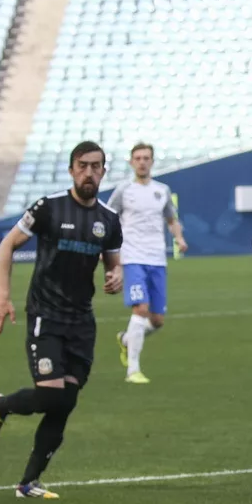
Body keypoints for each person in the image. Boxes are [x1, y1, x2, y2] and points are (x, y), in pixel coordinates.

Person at [0, 141, 123, 499]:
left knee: (65, 402)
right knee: (49, 396)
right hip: (46, 315)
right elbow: (7, 245)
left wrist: (116, 276)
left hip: (81, 322)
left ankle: (28, 483)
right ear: (71, 170)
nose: (89, 172)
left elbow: (113, 263)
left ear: (104, 172)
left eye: (96, 166)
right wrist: (2, 296)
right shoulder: (49, 207)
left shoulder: (109, 219)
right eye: (82, 165)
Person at [106, 143, 186, 384]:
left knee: (157, 320)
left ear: (152, 161)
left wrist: (179, 238)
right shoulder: (124, 190)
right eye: (138, 158)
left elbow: (171, 219)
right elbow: (108, 218)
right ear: (132, 162)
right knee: (140, 309)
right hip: (132, 258)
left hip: (157, 259)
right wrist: (108, 251)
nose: (142, 162)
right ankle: (133, 370)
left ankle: (126, 339)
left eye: (146, 158)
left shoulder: (162, 190)